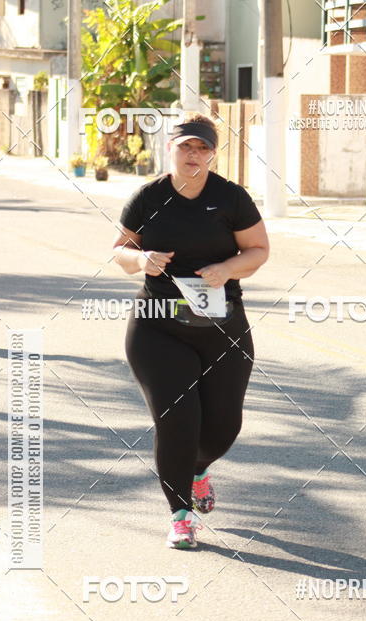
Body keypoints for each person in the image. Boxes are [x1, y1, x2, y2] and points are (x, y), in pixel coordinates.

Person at [113, 112, 269, 549]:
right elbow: (120, 250)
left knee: (222, 427)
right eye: (186, 146)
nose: (193, 154)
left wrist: (227, 267)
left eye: (202, 147)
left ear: (213, 154)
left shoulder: (231, 198)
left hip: (223, 324)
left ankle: (198, 469)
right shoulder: (148, 197)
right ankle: (180, 516)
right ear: (171, 148)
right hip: (158, 327)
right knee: (177, 421)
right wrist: (142, 261)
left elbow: (258, 250)